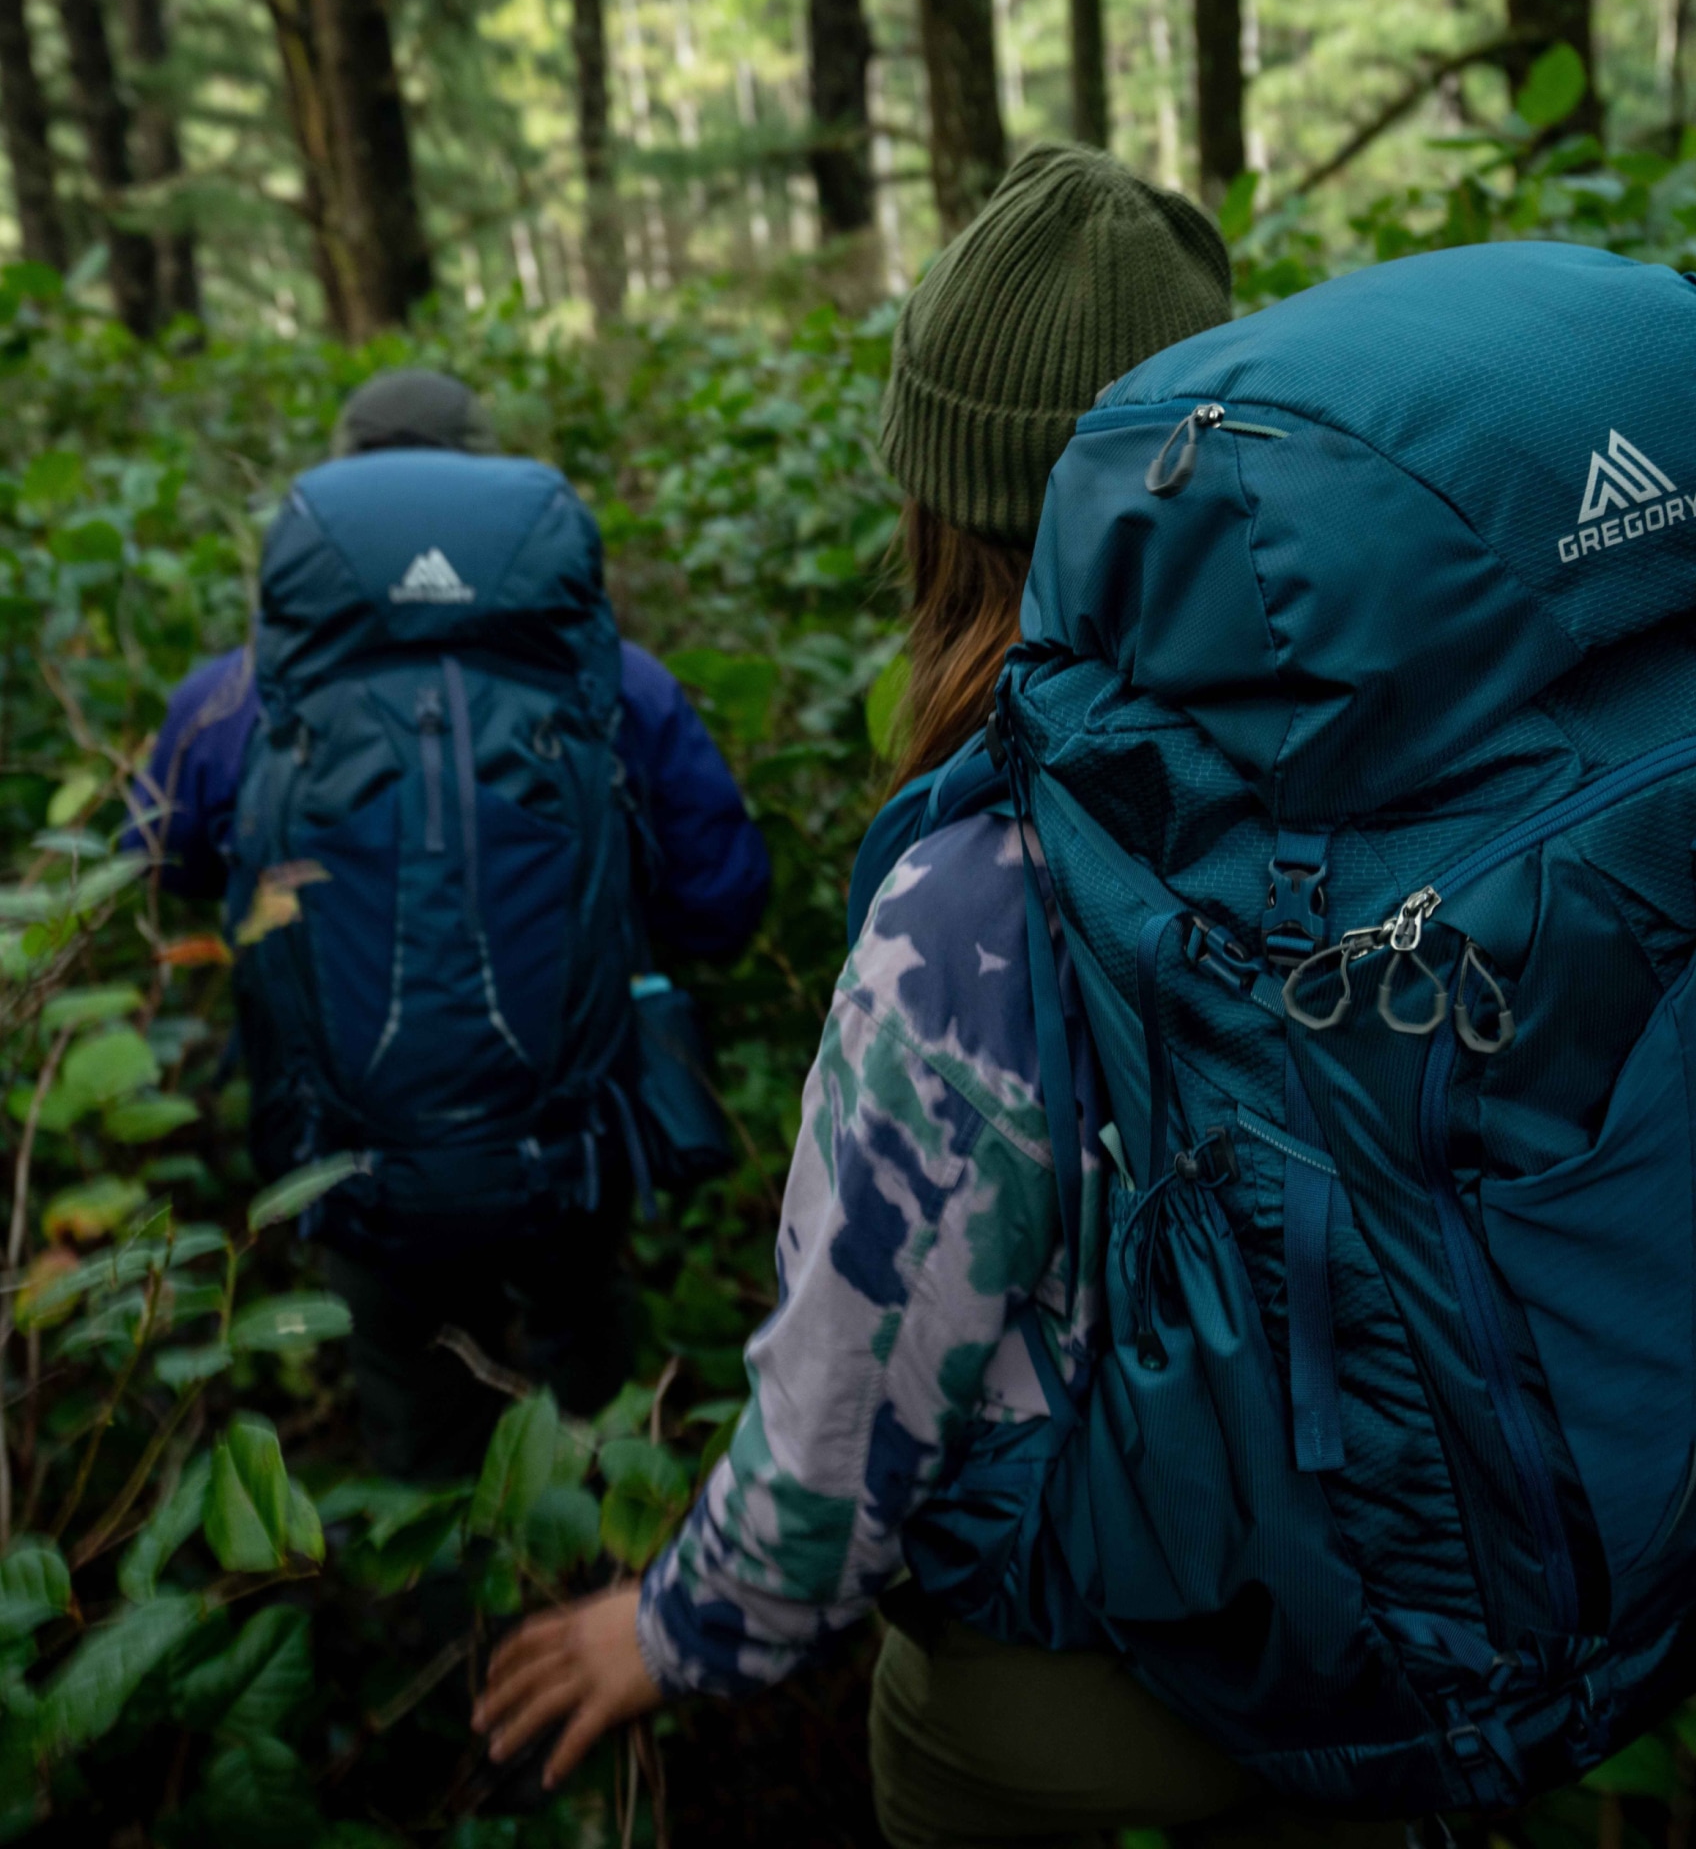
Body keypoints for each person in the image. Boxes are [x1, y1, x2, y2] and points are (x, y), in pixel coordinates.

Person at [471, 148, 1399, 1847]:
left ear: (943, 506)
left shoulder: (980, 899)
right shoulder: (1397, 756)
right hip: (1396, 1626)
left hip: (1105, 1676)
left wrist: (678, 1627)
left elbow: (856, 1389)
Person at [132, 368, 770, 1479]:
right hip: (571, 1148)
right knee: (590, 1391)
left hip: (350, 1159)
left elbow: (159, 863)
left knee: (416, 1420)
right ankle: (600, 1599)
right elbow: (722, 907)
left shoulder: (234, 700)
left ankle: (450, 1624)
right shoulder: (617, 687)